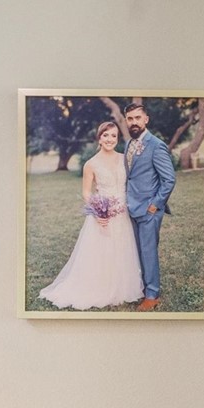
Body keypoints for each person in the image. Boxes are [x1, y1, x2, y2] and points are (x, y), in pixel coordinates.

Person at [39, 119, 145, 310]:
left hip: (123, 212)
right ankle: (100, 286)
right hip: (103, 213)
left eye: (113, 136)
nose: (110, 139)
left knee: (122, 247)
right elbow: (87, 192)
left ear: (117, 138)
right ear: (99, 138)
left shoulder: (124, 159)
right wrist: (98, 211)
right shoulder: (91, 164)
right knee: (102, 250)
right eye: (106, 135)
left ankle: (121, 285)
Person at [121, 102, 177, 310]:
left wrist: (155, 205)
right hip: (132, 207)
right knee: (137, 250)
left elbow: (169, 179)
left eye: (138, 118)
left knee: (148, 251)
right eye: (130, 119)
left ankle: (152, 295)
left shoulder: (156, 145)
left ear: (146, 119)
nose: (134, 122)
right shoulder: (128, 143)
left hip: (148, 210)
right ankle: (142, 287)